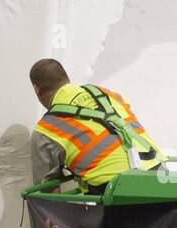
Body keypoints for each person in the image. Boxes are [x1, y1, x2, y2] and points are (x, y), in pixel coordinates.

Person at [29, 58, 165, 193]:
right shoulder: (106, 93)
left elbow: (47, 192)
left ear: (37, 90)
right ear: (66, 79)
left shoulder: (46, 129)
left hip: (118, 193)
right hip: (160, 174)